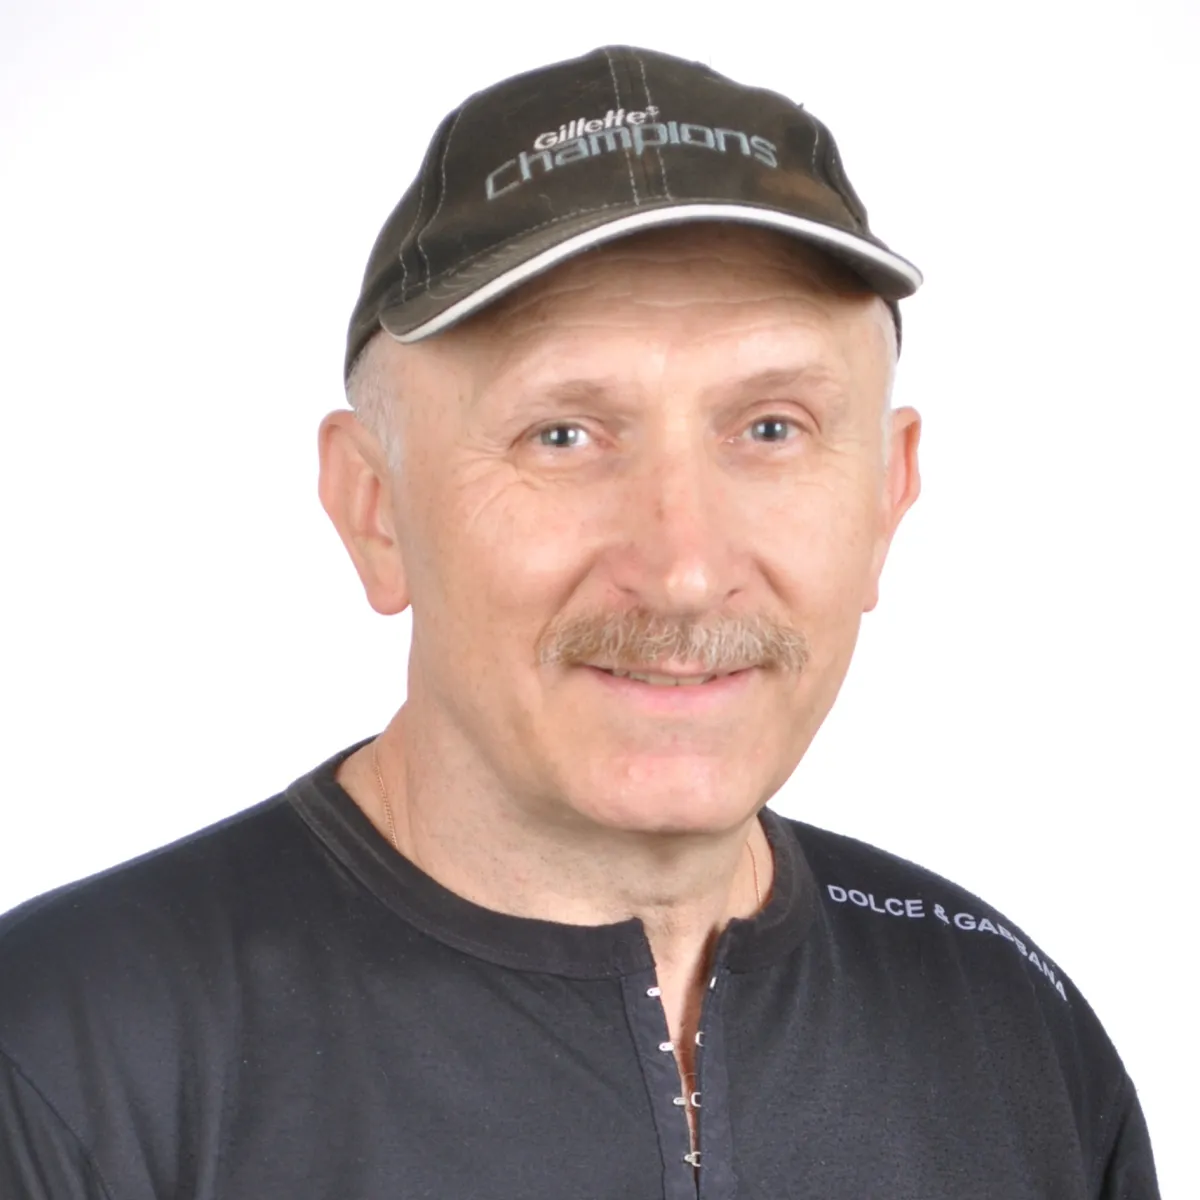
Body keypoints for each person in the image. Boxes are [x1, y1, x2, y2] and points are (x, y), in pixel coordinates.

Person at [0, 45, 1158, 1199]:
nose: (684, 570)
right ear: (374, 509)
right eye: (563, 434)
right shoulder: (67, 1061)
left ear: (888, 496)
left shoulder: (1018, 1042)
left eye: (772, 429)